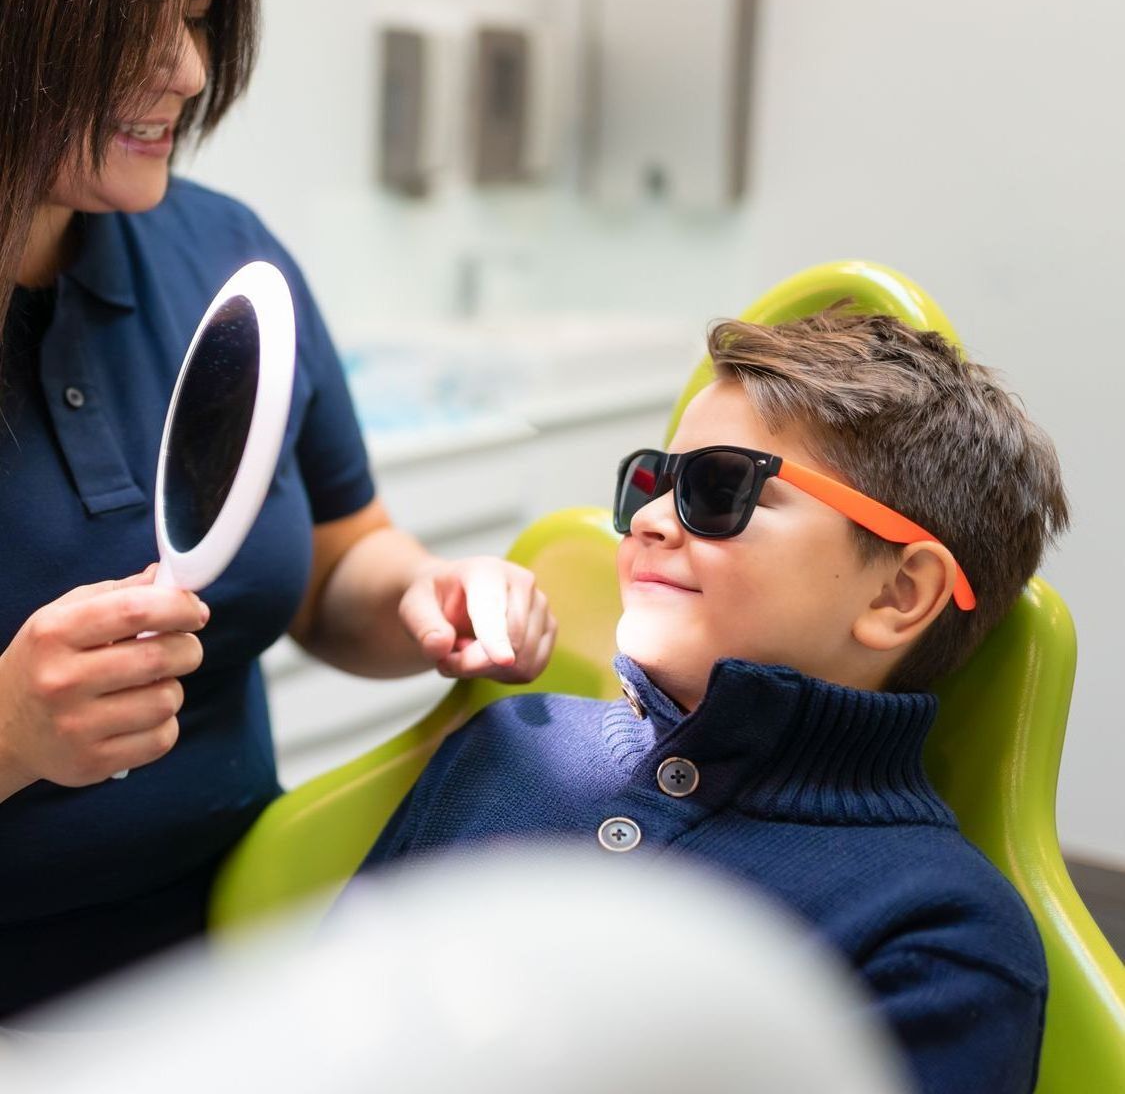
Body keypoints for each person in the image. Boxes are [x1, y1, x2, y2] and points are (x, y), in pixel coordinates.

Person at [0, 0, 555, 1019]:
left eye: (196, 15)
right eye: (127, 21)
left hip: (245, 964)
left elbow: (336, 561)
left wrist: (423, 598)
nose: (189, 70)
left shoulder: (227, 260)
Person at [354, 312, 1069, 1094]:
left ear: (899, 592)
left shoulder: (940, 932)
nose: (654, 520)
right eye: (653, 484)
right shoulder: (507, 744)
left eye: (721, 488)